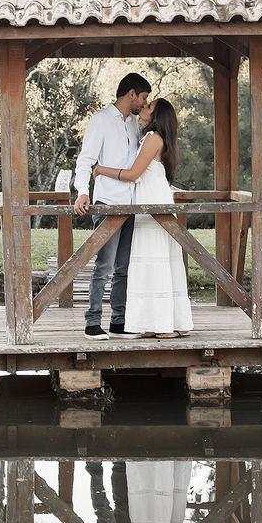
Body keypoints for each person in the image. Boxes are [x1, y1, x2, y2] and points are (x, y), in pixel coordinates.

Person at [91, 98, 193, 339]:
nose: (144, 107)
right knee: (157, 261)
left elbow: (134, 174)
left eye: (149, 106)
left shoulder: (153, 138)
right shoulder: (158, 139)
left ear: (157, 116)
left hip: (151, 203)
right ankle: (166, 322)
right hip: (154, 197)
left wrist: (100, 169)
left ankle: (165, 325)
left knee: (154, 260)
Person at [73, 73, 152, 341]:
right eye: (143, 97)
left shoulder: (133, 124)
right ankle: (92, 322)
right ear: (131, 94)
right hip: (108, 203)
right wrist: (83, 192)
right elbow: (85, 160)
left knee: (124, 267)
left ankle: (119, 321)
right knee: (103, 266)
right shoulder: (100, 120)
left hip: (131, 204)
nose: (145, 103)